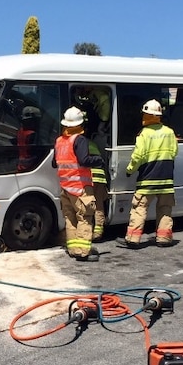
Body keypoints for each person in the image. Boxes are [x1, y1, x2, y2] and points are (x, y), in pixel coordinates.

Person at [118, 99, 178, 248]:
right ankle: (163, 239)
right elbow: (175, 152)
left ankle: (133, 239)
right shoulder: (169, 132)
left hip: (147, 179)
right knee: (165, 209)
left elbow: (137, 156)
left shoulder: (144, 134)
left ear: (147, 115)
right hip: (166, 180)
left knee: (139, 208)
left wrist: (129, 170)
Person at [53, 106, 104, 262]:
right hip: (80, 188)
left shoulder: (60, 141)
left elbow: (54, 163)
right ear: (80, 124)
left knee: (70, 219)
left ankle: (73, 249)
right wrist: (99, 160)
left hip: (65, 189)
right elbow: (84, 160)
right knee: (85, 218)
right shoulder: (79, 140)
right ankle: (82, 252)